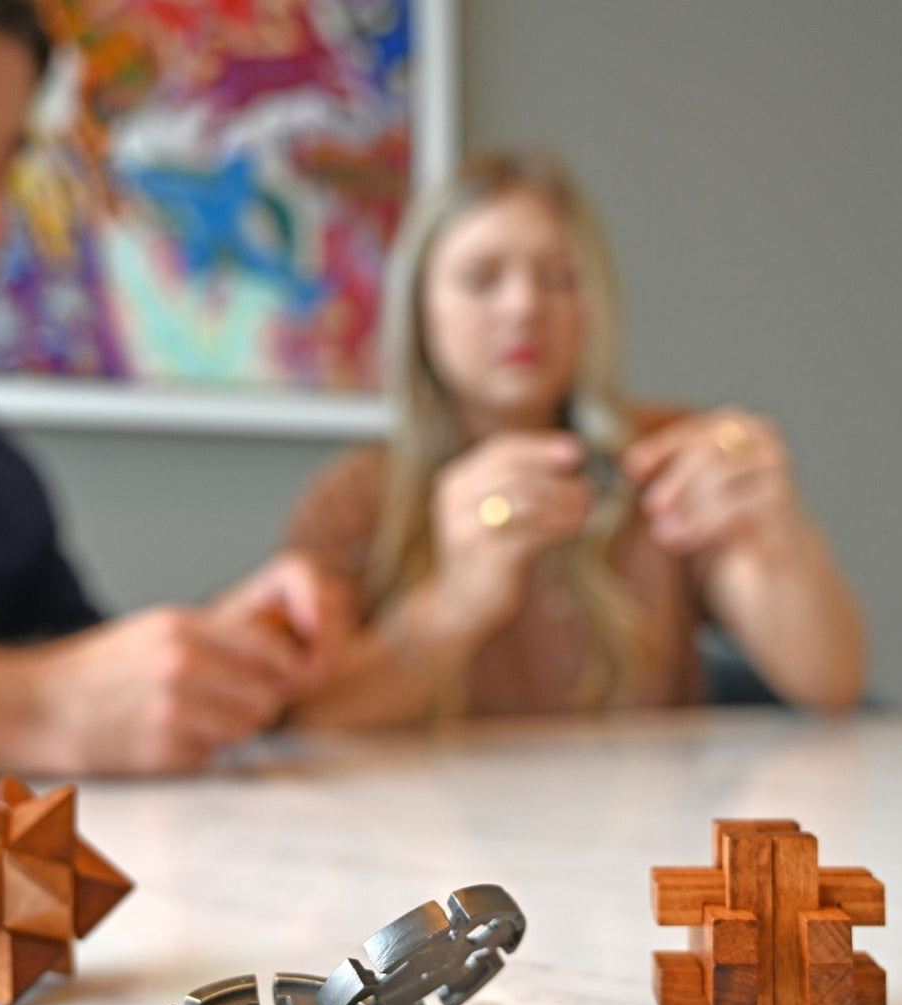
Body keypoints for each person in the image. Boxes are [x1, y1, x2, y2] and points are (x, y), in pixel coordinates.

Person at [0, 0, 343, 786]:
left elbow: (83, 682)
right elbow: (55, 699)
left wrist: (210, 655)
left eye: (7, 166)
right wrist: (37, 708)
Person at [282, 150, 865, 727]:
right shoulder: (357, 498)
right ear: (420, 310)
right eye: (481, 279)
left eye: (559, 278)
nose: (524, 307)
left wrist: (780, 538)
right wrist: (455, 604)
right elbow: (306, 724)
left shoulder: (662, 461)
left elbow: (829, 683)